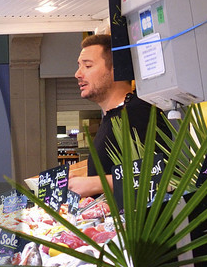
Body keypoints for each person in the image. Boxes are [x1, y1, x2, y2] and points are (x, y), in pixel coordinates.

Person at [67, 32, 172, 205]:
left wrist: (94, 183)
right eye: (79, 66)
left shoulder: (138, 112)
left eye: (87, 66)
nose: (77, 74)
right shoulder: (113, 116)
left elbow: (159, 176)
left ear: (116, 69)